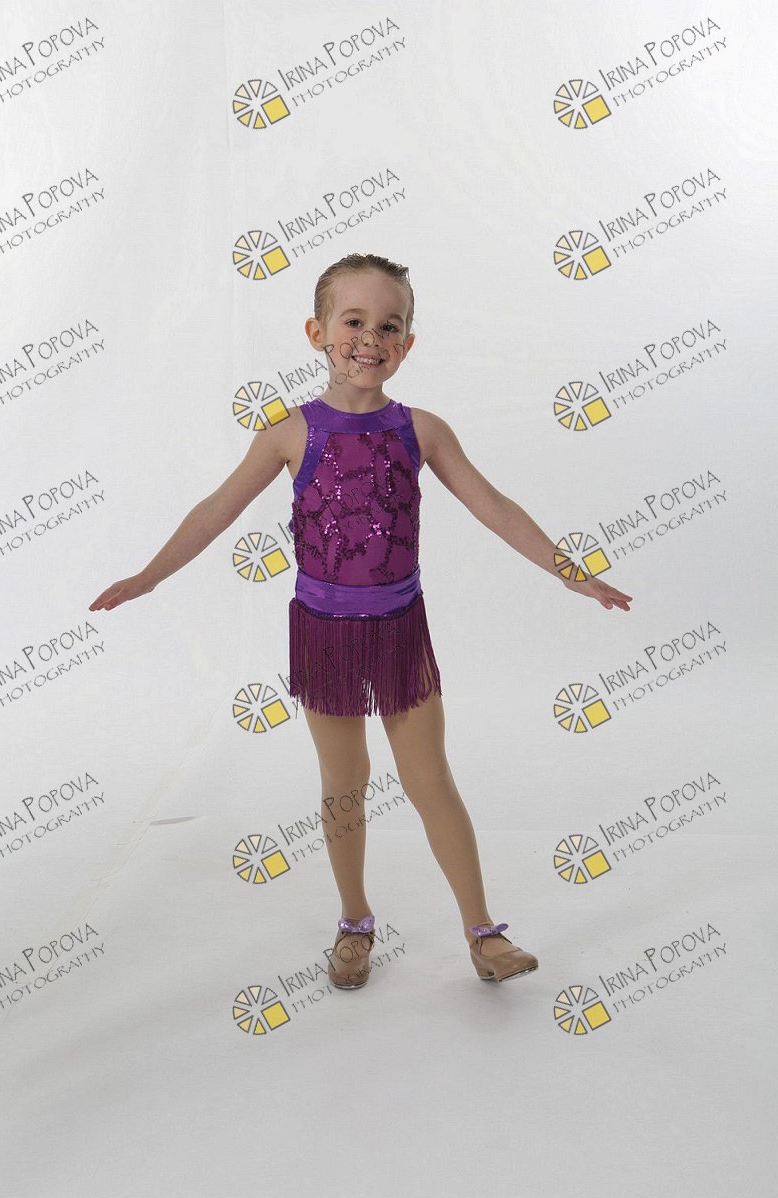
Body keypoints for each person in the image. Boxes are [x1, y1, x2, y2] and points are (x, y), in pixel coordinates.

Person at [89, 252, 633, 991]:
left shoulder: (422, 431)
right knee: (345, 783)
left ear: (407, 343)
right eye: (353, 321)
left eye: (390, 325)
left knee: (429, 778)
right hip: (325, 633)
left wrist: (571, 573)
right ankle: (354, 922)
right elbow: (215, 510)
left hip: (400, 628)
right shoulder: (289, 433)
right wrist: (149, 576)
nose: (370, 338)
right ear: (316, 332)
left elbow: (495, 507)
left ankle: (484, 932)